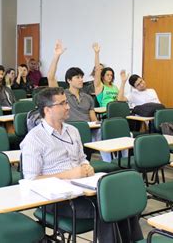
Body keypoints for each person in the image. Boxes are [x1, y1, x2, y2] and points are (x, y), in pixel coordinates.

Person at [20, 87, 143, 242]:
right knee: (107, 208)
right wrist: (68, 175)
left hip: (83, 189)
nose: (68, 106)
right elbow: (31, 180)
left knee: (125, 199)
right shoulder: (34, 138)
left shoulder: (72, 131)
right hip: (56, 200)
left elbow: (82, 158)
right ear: (48, 110)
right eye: (62, 103)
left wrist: (86, 166)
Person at [47, 40, 97, 123]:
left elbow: (94, 119)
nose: (81, 80)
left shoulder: (88, 97)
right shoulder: (62, 95)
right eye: (77, 77)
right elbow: (51, 77)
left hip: (88, 130)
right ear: (69, 80)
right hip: (70, 130)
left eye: (81, 77)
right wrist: (56, 56)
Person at [92, 43, 125, 108]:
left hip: (117, 110)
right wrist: (97, 53)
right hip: (106, 113)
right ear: (102, 76)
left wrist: (123, 82)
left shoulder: (114, 87)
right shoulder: (99, 86)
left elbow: (120, 99)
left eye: (111, 75)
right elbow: (97, 70)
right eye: (107, 75)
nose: (110, 76)